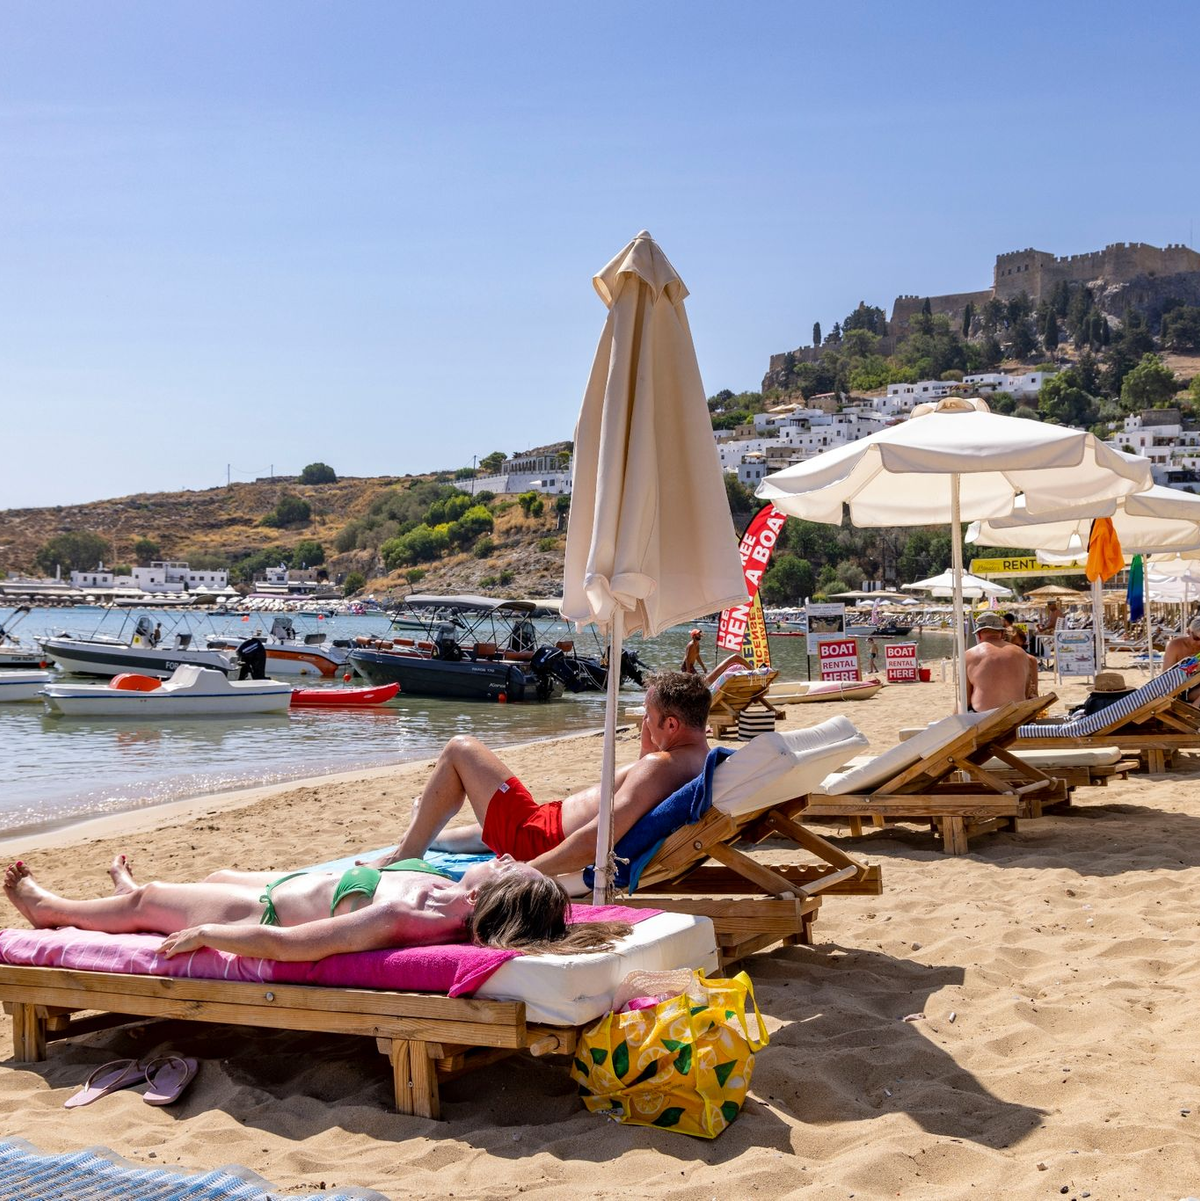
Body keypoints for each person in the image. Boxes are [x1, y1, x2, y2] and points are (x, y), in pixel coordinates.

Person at [361, 671, 713, 877]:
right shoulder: (696, 760)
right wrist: (651, 734)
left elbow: (599, 836)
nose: (644, 722)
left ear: (671, 723)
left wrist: (529, 871)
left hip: (535, 838)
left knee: (459, 748)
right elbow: (639, 786)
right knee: (484, 830)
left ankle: (404, 856)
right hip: (544, 820)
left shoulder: (660, 767)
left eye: (649, 717)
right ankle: (425, 827)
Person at [2, 854, 631, 961]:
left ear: (485, 898)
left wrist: (211, 938)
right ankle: (127, 903)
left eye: (508, 867)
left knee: (150, 900)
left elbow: (298, 947)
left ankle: (48, 907)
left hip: (263, 915)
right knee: (213, 872)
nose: (503, 857)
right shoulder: (449, 896)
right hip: (297, 883)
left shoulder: (412, 915)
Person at [964, 611, 1040, 712]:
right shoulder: (1021, 653)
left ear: (978, 634)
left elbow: (965, 700)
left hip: (983, 719)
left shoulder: (969, 655)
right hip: (1016, 715)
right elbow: (1026, 693)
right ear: (1002, 633)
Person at [1162, 616, 1200, 703]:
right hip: (1178, 690)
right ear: (1189, 632)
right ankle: (1192, 709)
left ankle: (1193, 708)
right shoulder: (1175, 645)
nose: (1199, 643)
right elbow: (1166, 675)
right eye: (1196, 638)